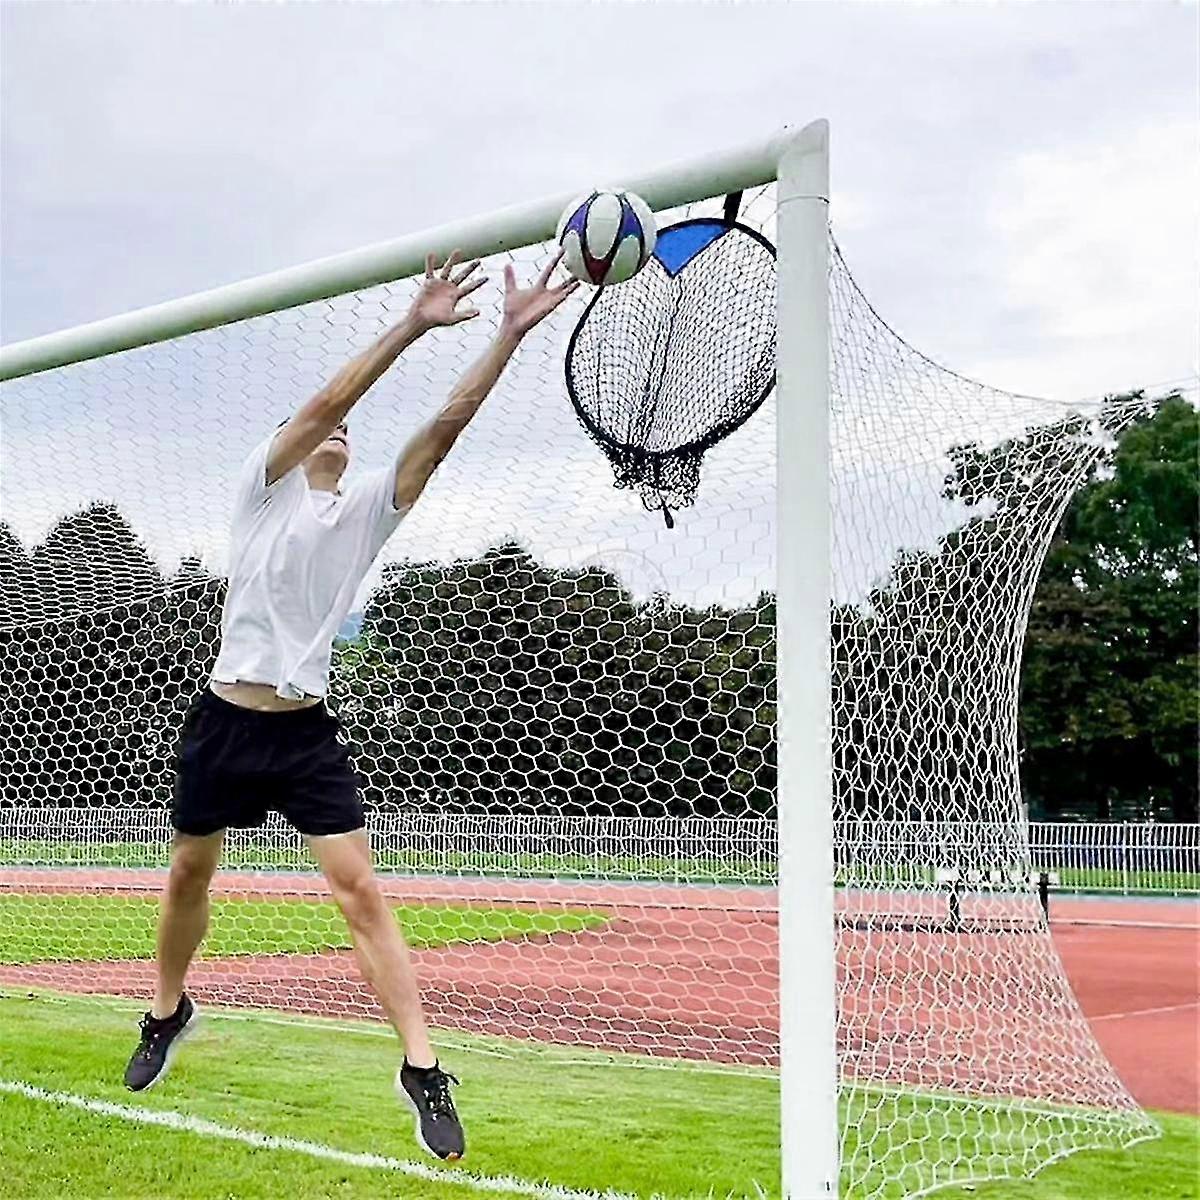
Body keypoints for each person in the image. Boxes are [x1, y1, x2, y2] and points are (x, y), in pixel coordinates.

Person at [122, 249, 578, 1162]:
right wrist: (414, 322)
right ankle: (167, 1013)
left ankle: (421, 1069)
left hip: (301, 732)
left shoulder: (368, 508)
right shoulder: (259, 494)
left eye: (344, 435)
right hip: (224, 720)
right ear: (292, 443)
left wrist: (505, 339)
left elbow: (441, 433)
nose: (336, 433)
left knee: (359, 891)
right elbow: (332, 403)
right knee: (186, 876)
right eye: (320, 428)